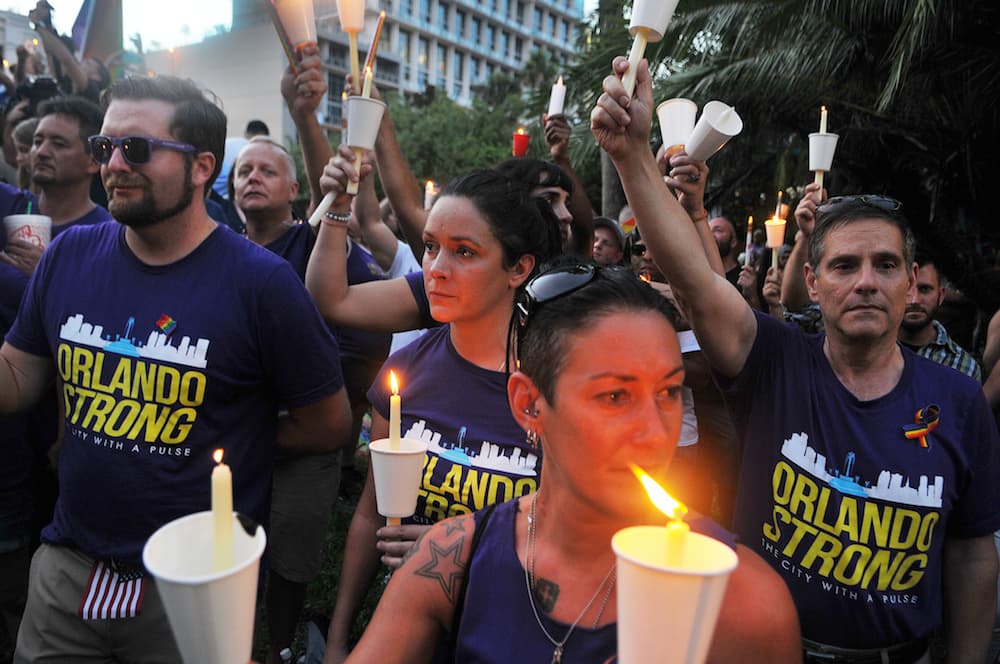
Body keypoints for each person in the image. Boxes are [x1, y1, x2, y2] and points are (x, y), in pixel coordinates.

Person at [592, 56, 1000, 661]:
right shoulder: (773, 360)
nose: (866, 282)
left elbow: (972, 552)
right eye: (845, 265)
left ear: (910, 282)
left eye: (886, 265)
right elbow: (695, 283)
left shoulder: (960, 401)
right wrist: (631, 156)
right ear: (812, 280)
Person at [1, 74, 351, 662]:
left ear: (201, 167)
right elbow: (16, 378)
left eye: (136, 148)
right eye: (104, 147)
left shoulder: (261, 284)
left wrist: (233, 437)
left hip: (195, 586)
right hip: (68, 569)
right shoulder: (68, 256)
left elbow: (330, 423)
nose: (115, 164)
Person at [344, 261, 801, 663]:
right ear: (528, 405)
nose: (654, 431)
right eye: (615, 396)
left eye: (667, 392)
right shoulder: (453, 560)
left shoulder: (743, 599)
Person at [315, 165, 561, 663]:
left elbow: (570, 542)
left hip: (509, 637)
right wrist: (341, 640)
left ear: (518, 269)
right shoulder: (406, 372)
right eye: (430, 247)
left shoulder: (552, 391)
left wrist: (459, 545)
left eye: (464, 252)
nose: (436, 269)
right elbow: (370, 512)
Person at [0, 96, 112, 276]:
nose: (41, 152)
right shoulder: (8, 204)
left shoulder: (107, 237)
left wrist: (50, 273)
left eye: (59, 144)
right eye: (37, 142)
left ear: (93, 162)